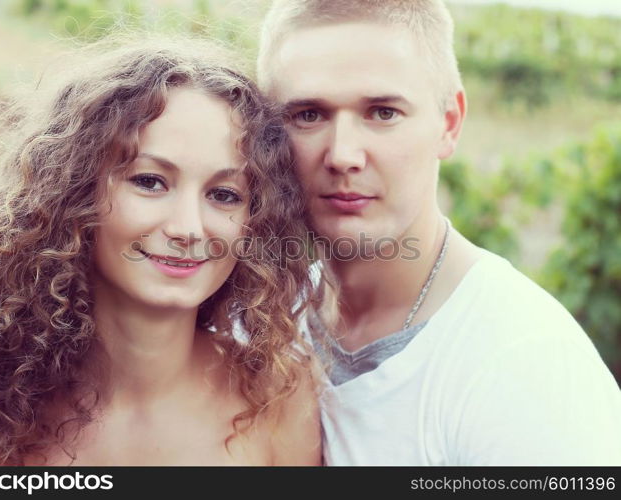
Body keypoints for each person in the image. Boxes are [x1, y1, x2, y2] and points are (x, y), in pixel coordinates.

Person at [0, 37, 321, 466]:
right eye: (149, 181)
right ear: (71, 192)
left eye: (224, 194)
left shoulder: (278, 400)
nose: (188, 228)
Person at [257, 0, 621, 465]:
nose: (343, 154)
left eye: (383, 113)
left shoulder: (526, 363)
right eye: (308, 114)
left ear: (449, 123)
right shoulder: (260, 322)